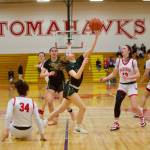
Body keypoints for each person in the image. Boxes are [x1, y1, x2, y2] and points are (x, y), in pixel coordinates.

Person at [44, 31, 100, 134]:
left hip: (73, 89)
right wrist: (83, 65)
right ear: (67, 58)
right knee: (83, 108)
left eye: (70, 51)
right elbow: (77, 76)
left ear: (73, 55)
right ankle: (78, 128)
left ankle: (44, 121)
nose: (69, 52)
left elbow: (91, 50)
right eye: (67, 53)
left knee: (60, 109)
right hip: (70, 89)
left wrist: (96, 37)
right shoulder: (68, 66)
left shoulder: (79, 59)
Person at [100, 45, 146, 131]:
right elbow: (114, 74)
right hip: (122, 85)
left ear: (129, 51)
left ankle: (141, 115)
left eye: (124, 48)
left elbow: (138, 75)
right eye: (122, 49)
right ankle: (116, 123)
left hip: (132, 85)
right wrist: (105, 78)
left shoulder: (133, 61)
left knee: (134, 107)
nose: (122, 50)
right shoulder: (118, 61)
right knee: (117, 102)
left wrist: (129, 77)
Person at [39, 47, 75, 125]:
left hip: (60, 83)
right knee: (49, 101)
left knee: (62, 102)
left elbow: (70, 66)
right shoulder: (47, 62)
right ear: (50, 53)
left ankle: (71, 111)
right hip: (51, 83)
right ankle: (54, 120)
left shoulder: (61, 61)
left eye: (55, 51)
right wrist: (48, 73)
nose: (54, 52)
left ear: (57, 52)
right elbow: (41, 75)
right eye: (52, 51)